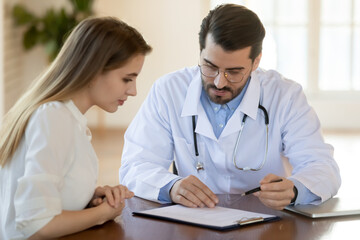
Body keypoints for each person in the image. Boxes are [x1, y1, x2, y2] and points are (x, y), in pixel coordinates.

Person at [119, 4, 341, 211]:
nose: (219, 82)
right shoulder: (169, 90)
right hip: (195, 221)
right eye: (210, 66)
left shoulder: (285, 96)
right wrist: (171, 187)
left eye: (233, 72)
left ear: (256, 62)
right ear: (200, 53)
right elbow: (136, 165)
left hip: (266, 223)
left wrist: (295, 189)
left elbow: (322, 166)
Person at [0, 17, 151, 239]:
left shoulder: (65, 118)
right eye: (127, 79)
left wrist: (90, 197)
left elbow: (47, 193)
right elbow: (36, 223)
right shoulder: (53, 118)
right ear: (93, 71)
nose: (133, 91)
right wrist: (102, 213)